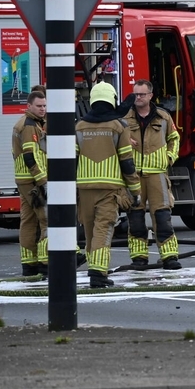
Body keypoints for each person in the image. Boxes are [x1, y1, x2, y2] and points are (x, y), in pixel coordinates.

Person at [76, 82, 141, 288]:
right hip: (109, 188)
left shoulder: (79, 126)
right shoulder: (119, 126)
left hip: (84, 188)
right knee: (103, 229)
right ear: (112, 99)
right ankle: (98, 272)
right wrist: (135, 190)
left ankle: (94, 267)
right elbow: (127, 161)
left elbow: (71, 160)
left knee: (89, 231)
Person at [125, 79, 182, 270]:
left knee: (162, 216)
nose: (138, 98)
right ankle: (139, 258)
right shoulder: (124, 118)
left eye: (142, 94)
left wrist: (169, 158)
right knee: (135, 218)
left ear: (150, 95)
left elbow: (174, 138)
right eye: (135, 94)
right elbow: (114, 139)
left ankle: (169, 256)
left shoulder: (163, 117)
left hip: (157, 174)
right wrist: (125, 140)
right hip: (133, 175)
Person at [12, 90, 48, 277]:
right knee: (47, 218)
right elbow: (30, 156)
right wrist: (43, 181)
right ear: (29, 106)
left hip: (24, 179)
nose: (43, 109)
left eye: (44, 106)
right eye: (39, 106)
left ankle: (29, 264)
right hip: (33, 181)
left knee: (28, 220)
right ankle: (46, 261)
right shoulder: (29, 126)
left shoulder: (32, 123)